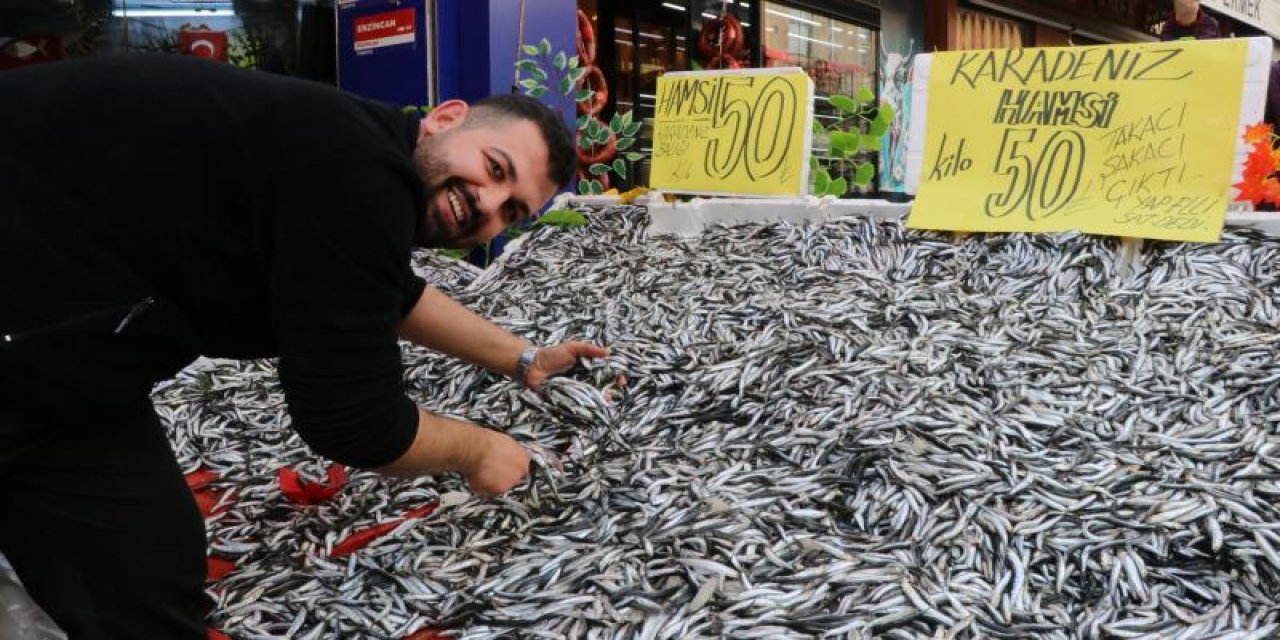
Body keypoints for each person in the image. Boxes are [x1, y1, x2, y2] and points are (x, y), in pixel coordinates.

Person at [0, 54, 607, 638]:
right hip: (31, 330)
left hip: (63, 365)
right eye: (495, 169)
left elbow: (390, 293)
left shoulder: (348, 155)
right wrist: (479, 451)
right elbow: (353, 422)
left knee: (144, 568)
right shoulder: (358, 169)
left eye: (513, 211)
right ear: (445, 118)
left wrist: (522, 358)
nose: (488, 204)